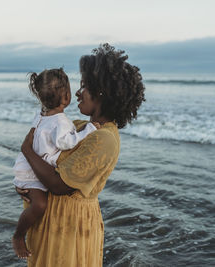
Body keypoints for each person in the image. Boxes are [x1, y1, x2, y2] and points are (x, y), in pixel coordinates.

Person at [16, 43, 146, 266]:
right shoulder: (77, 126)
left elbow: (58, 185)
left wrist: (26, 150)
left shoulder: (103, 138)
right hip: (51, 222)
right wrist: (24, 183)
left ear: (101, 92)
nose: (77, 92)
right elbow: (42, 148)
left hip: (70, 228)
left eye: (84, 86)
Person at [12, 68, 100, 258]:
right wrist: (89, 130)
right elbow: (65, 141)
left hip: (27, 167)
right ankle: (18, 236)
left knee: (37, 204)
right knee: (39, 205)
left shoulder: (44, 114)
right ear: (66, 96)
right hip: (31, 173)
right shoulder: (60, 121)